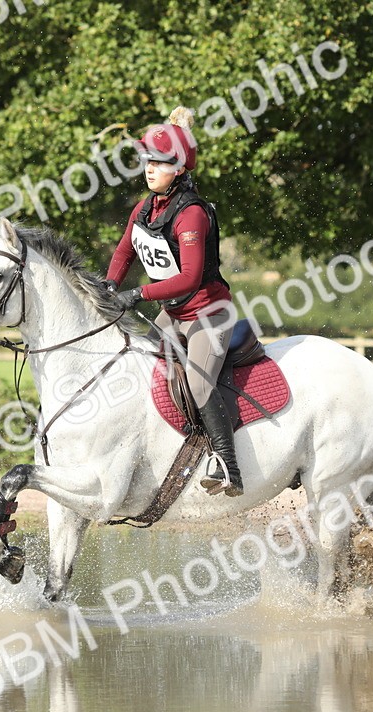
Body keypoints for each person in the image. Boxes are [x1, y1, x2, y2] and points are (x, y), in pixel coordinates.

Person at [103, 107, 243, 497]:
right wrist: (109, 287)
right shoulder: (146, 207)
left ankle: (228, 465)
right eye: (147, 160)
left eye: (160, 163)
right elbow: (123, 253)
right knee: (139, 367)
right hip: (174, 314)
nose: (149, 169)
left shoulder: (192, 213)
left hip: (208, 313)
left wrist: (138, 293)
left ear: (179, 169)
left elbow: (190, 278)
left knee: (198, 382)